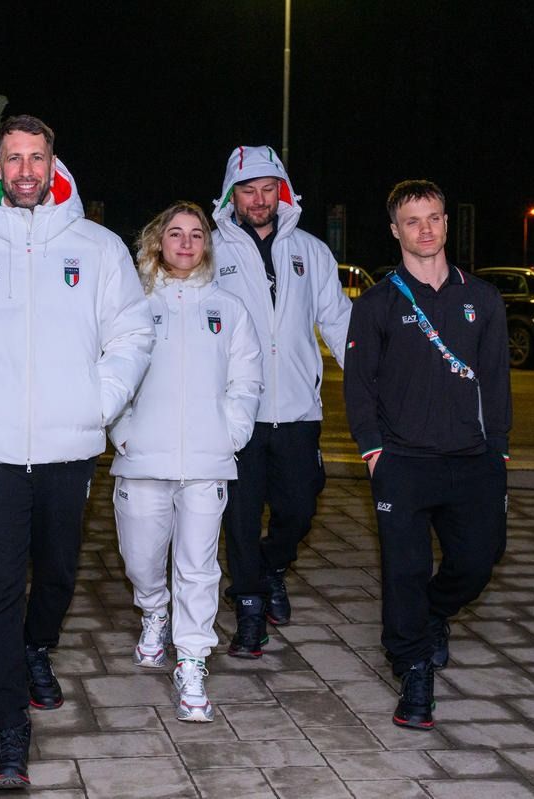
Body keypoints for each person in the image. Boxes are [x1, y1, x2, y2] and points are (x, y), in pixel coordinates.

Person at [0, 114, 153, 789]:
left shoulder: (98, 248)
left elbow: (132, 334)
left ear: (54, 164)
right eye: (13, 158)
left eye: (36, 158)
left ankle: (37, 645)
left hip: (67, 446)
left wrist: (96, 404)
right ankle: (8, 731)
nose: (24, 170)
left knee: (56, 573)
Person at [344, 179, 510, 729]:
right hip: (404, 463)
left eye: (434, 218)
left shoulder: (482, 298)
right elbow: (359, 386)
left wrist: (499, 453)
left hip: (473, 460)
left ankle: (433, 613)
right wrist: (374, 453)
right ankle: (413, 667)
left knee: (479, 561)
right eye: (412, 221)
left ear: (446, 223)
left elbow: (497, 381)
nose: (425, 230)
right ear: (395, 230)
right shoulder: (377, 303)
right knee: (405, 572)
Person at [109, 201, 262, 722]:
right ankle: (154, 610)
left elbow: (246, 379)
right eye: (176, 233)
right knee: (141, 559)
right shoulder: (133, 303)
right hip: (142, 459)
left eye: (197, 234)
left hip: (206, 461)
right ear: (158, 240)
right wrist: (122, 432)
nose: (187, 242)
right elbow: (110, 371)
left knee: (198, 567)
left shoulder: (228, 308)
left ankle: (192, 661)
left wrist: (231, 433)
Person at [211, 145, 351, 656]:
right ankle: (249, 607)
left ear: (283, 192)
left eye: (268, 189)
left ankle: (272, 566)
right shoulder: (212, 251)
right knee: (241, 517)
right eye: (248, 190)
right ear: (232, 196)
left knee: (299, 507)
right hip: (236, 412)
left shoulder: (311, 251)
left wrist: (375, 379)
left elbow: (338, 321)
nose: (259, 199)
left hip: (297, 410)